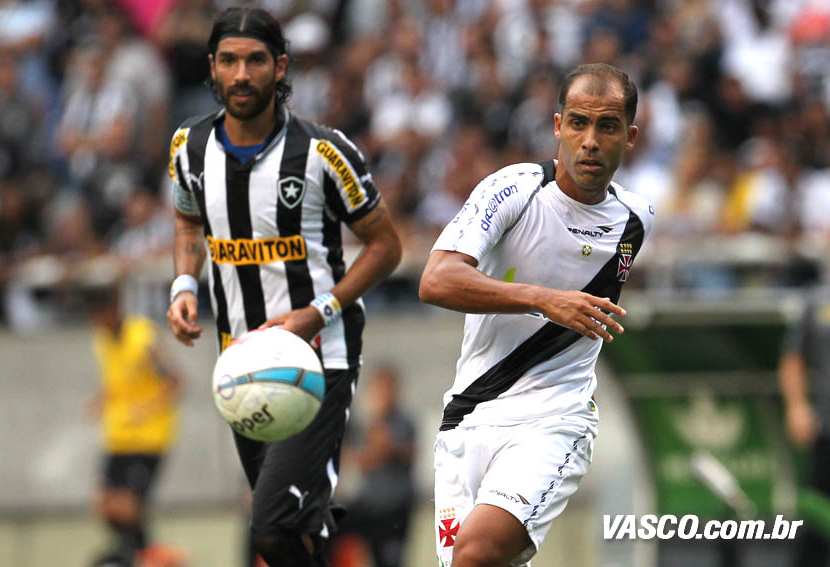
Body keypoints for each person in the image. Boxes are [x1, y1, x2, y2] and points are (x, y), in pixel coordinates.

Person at [164, 7, 402, 567]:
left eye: (254, 61)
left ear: (280, 68)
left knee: (269, 529)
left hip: (320, 359)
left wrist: (317, 313)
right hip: (241, 362)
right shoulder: (189, 149)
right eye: (229, 61)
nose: (241, 74)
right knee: (295, 536)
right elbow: (186, 221)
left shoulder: (324, 152)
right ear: (212, 68)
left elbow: (386, 246)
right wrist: (183, 284)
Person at [419, 63, 654, 567]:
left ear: (629, 136)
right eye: (578, 123)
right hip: (470, 416)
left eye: (607, 126)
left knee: (477, 552)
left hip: (555, 417)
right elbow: (436, 279)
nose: (590, 140)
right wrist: (544, 298)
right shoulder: (514, 189)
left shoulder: (636, 221)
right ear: (557, 126)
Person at [85, 285, 183, 567]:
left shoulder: (142, 337)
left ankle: (145, 554)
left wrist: (147, 409)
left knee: (128, 506)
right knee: (105, 504)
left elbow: (175, 381)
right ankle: (140, 553)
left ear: (113, 310)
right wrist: (100, 401)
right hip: (118, 435)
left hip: (149, 436)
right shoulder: (101, 340)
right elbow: (117, 380)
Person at [330, 363, 416, 567]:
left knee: (388, 560)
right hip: (368, 506)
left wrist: (378, 423)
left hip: (394, 507)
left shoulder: (403, 422)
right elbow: (360, 460)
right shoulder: (364, 424)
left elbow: (393, 450)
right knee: (330, 529)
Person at [778, 284, 830, 567]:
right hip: (826, 431)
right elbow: (793, 358)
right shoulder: (818, 301)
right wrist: (797, 407)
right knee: (816, 526)